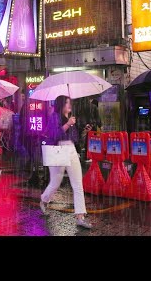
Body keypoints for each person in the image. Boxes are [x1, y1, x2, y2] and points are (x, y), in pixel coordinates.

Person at [39, 96, 93, 229]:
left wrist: (83, 131)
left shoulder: (72, 118)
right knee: (55, 183)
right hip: (58, 150)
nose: (69, 105)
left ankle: (80, 217)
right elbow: (54, 135)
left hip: (71, 150)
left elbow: (74, 138)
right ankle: (44, 199)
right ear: (61, 104)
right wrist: (68, 124)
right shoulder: (55, 117)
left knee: (78, 184)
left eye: (70, 102)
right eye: (67, 103)